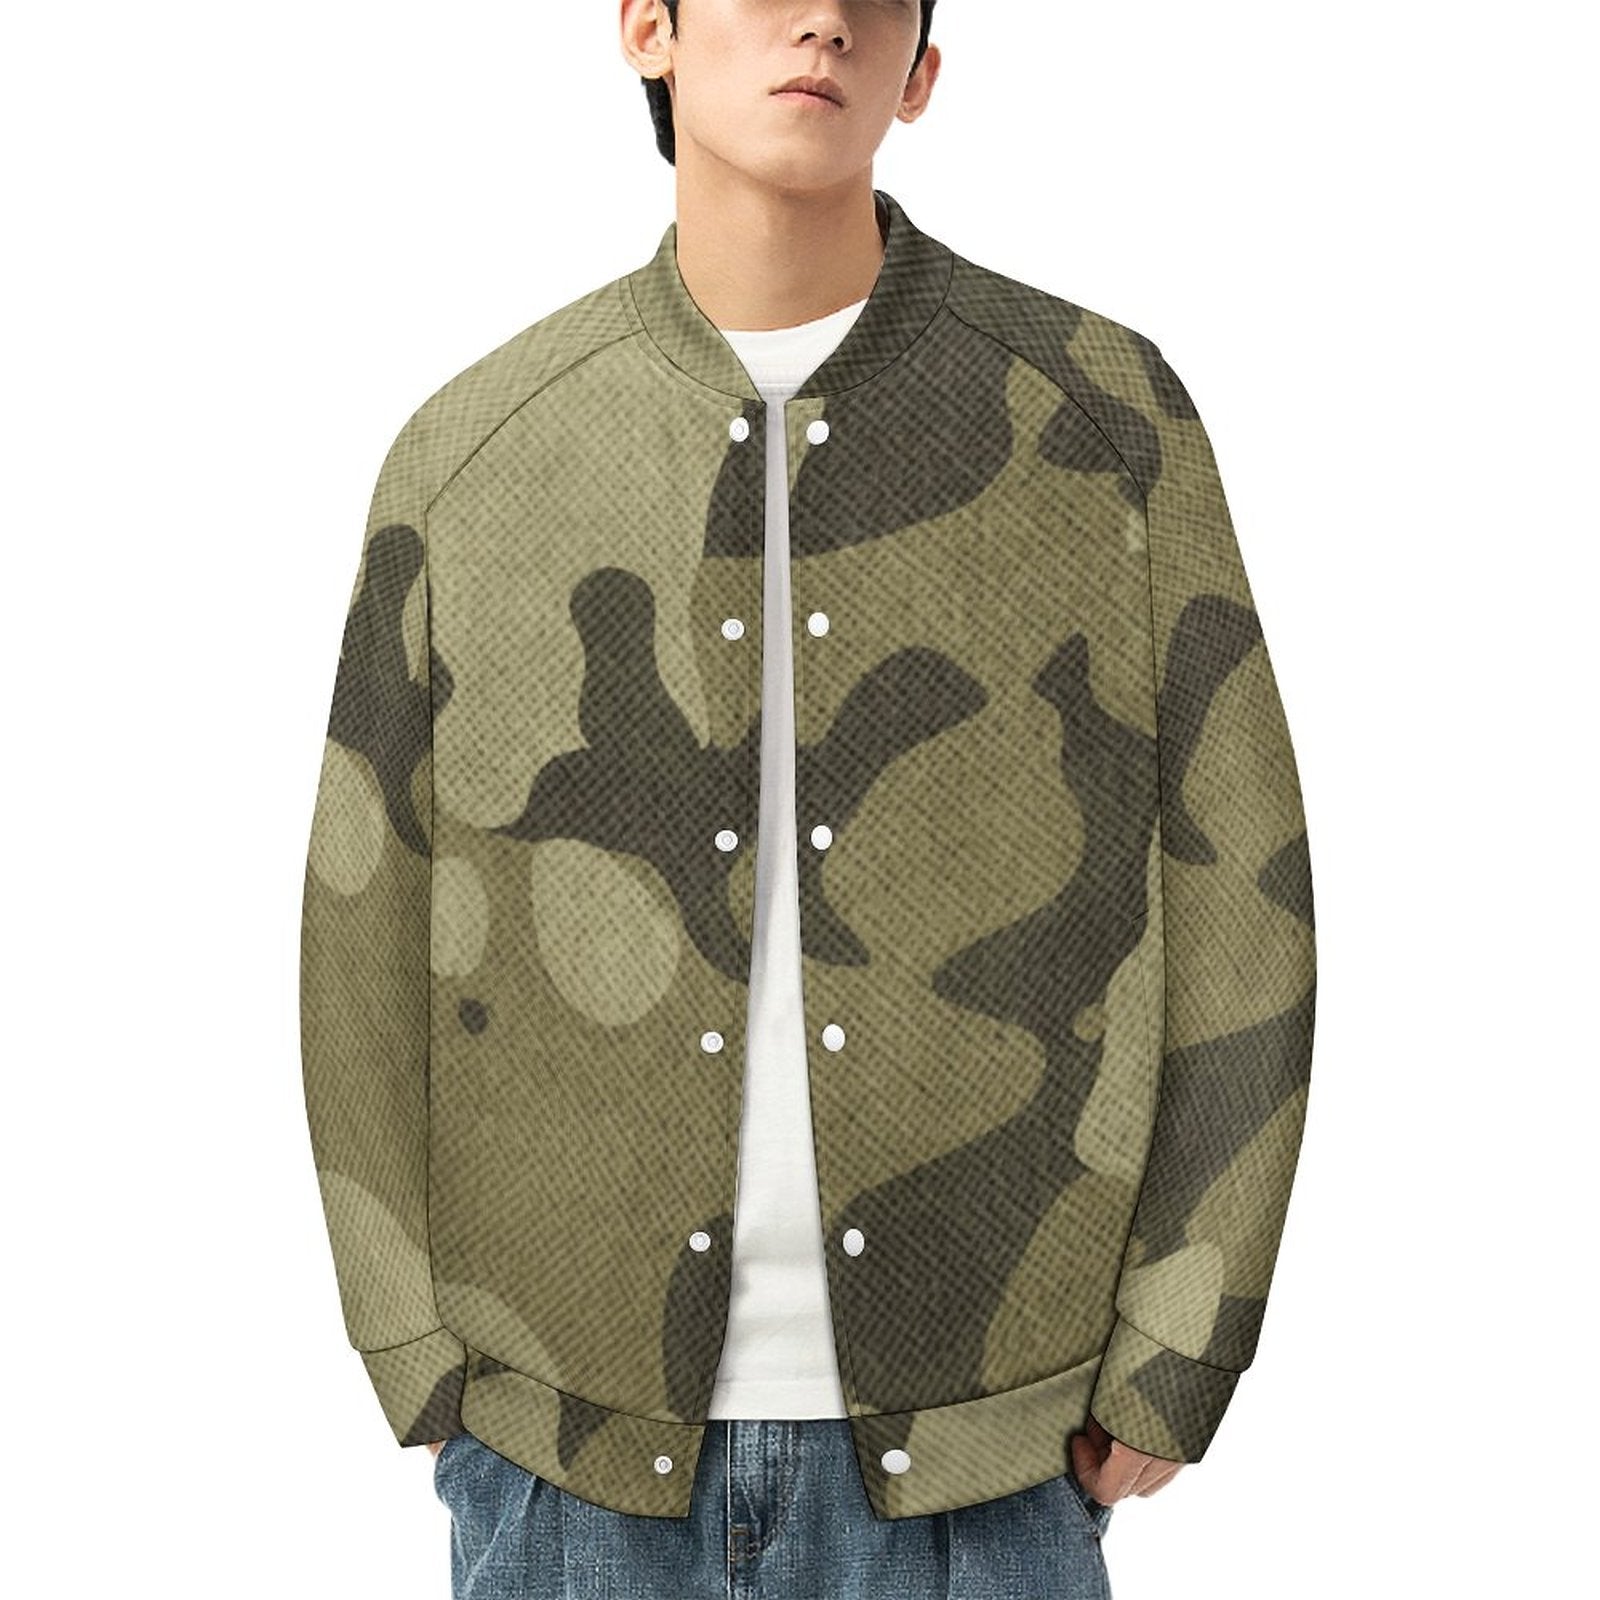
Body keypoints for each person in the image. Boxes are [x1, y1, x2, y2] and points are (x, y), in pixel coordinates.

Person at [298, 2, 1317, 1596]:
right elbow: (362, 923)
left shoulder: (1105, 417)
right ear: (647, 27)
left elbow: (1244, 887)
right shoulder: (478, 452)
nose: (823, 18)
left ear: (921, 72)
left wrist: (1184, 1341)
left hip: (992, 1453)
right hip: (567, 1451)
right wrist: (412, 1346)